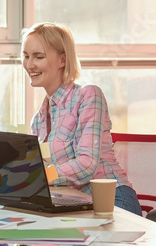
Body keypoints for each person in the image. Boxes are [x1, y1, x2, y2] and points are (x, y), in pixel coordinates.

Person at [21, 22, 142, 216]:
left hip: (112, 199)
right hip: (73, 203)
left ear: (62, 60)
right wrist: (5, 179)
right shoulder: (38, 119)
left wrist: (39, 176)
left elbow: (87, 165)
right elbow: (38, 169)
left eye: (38, 57)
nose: (29, 64)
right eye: (26, 56)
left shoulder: (88, 96)